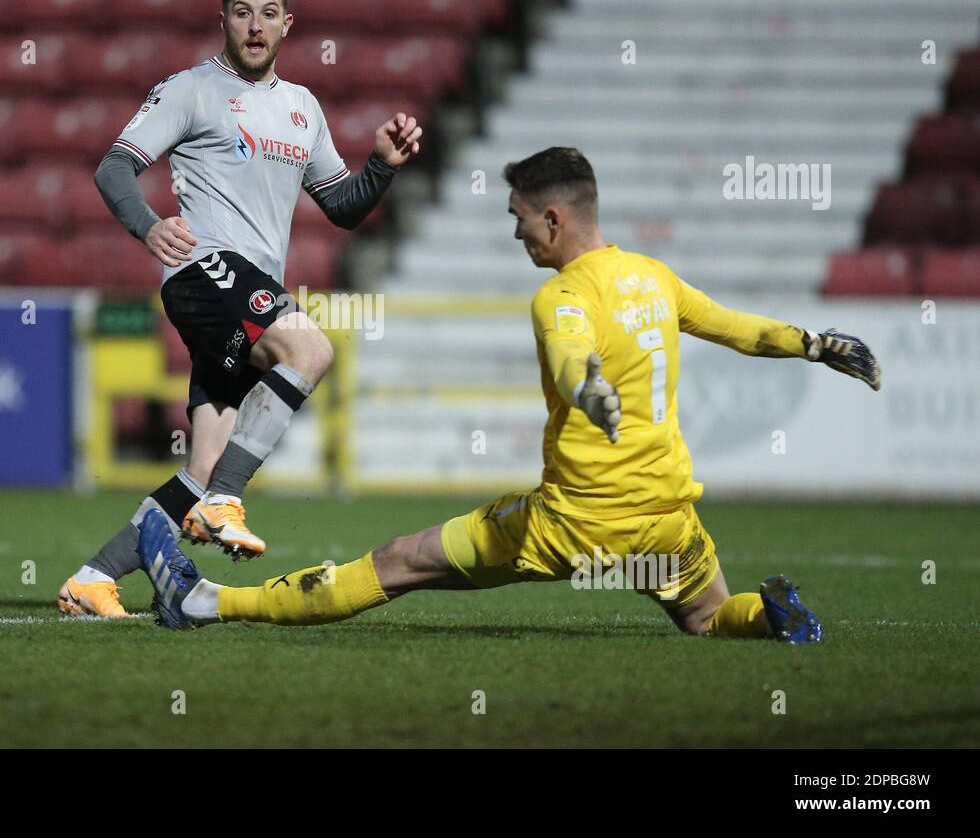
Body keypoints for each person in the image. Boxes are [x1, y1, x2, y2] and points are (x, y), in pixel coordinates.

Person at [136, 147, 882, 643]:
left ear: (554, 218)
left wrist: (585, 385)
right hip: (667, 522)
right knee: (710, 613)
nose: (517, 233)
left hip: (570, 527)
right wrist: (814, 344)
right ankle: (770, 617)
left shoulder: (561, 297)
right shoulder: (652, 277)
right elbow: (738, 329)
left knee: (398, 561)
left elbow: (568, 356)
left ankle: (203, 602)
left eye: (520, 219)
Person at [57, 0, 422, 617]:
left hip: (246, 294)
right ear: (223, 19)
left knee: (200, 469)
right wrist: (147, 227)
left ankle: (93, 578)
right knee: (311, 351)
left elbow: (340, 204)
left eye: (268, 12)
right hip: (205, 271)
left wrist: (381, 167)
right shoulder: (190, 90)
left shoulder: (302, 108)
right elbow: (114, 166)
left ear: (288, 24)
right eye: (242, 11)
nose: (255, 25)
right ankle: (228, 500)